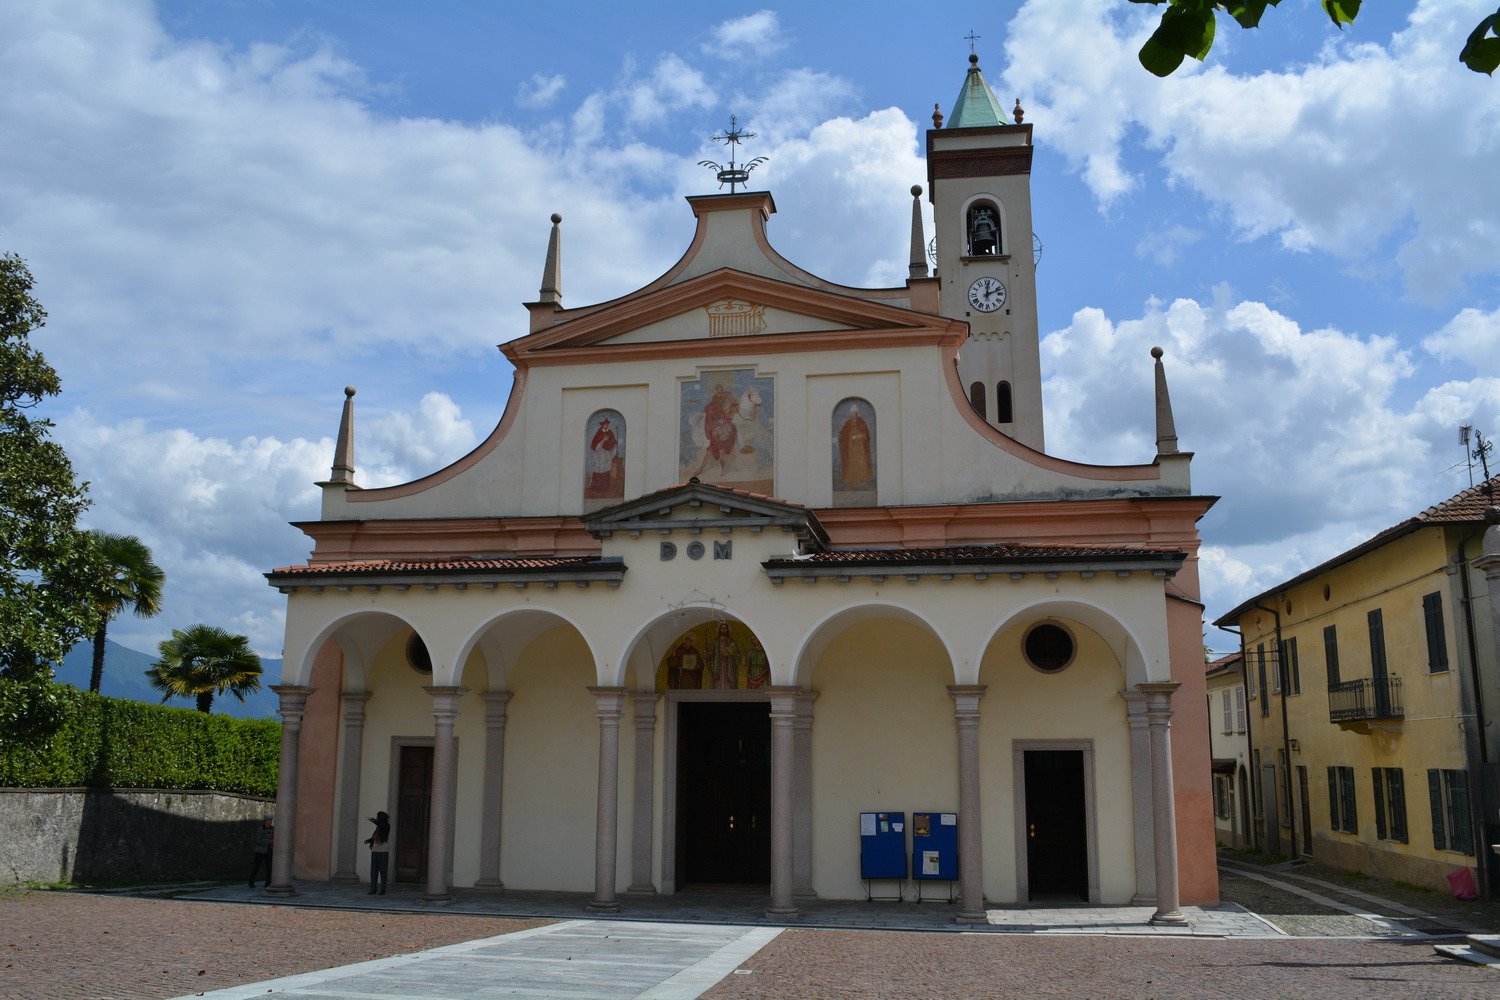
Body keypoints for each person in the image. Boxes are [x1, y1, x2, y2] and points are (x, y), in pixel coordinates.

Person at [365, 811, 390, 895]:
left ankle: (383, 890)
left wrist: (372, 820)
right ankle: (373, 889)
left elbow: (381, 825)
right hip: (375, 850)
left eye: (377, 816)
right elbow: (374, 837)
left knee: (383, 871)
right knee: (374, 871)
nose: (376, 818)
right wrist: (368, 841)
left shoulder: (386, 826)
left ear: (380, 818)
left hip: (383, 851)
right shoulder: (378, 827)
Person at [248, 814, 272, 889]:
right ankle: (251, 882)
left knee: (269, 867)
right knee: (256, 867)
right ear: (265, 822)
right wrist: (268, 841)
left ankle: (267, 883)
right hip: (260, 851)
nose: (269, 823)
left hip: (269, 851)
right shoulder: (260, 829)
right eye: (268, 821)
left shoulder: (273, 829)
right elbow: (258, 841)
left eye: (270, 821)